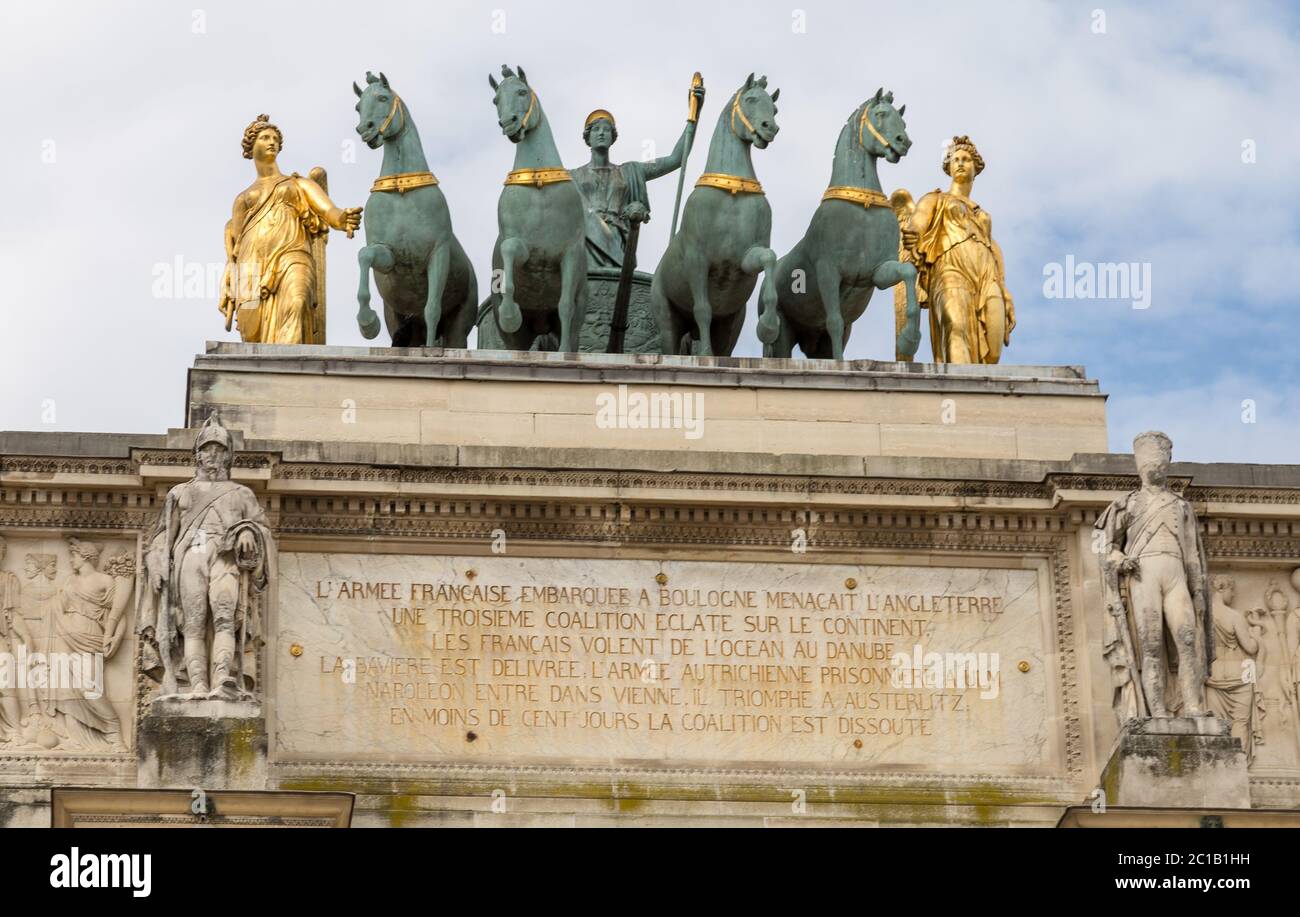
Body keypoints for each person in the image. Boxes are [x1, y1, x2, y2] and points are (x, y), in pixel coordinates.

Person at [141, 414, 273, 699]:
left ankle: (223, 679)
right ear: (197, 455)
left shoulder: (242, 494)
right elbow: (163, 534)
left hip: (226, 557)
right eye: (207, 449)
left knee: (226, 617)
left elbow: (262, 528)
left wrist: (249, 532)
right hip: (191, 555)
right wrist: (155, 561)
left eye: (220, 450)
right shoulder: (180, 493)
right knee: (194, 623)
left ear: (228, 456)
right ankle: (197, 684)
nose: (213, 455)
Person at [1096, 431, 1214, 721]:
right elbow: (1102, 545)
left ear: (1167, 463)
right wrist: (1121, 560)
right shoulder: (1126, 505)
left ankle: (1194, 707)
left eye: (1160, 461)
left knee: (1187, 638)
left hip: (1176, 575)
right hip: (1143, 575)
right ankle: (1157, 713)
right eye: (1150, 461)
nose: (1155, 467)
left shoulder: (1181, 506)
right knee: (1150, 645)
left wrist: (1199, 590)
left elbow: (1192, 555)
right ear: (1140, 465)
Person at [218, 114, 362, 343]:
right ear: (250, 147)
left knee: (297, 301)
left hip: (292, 254)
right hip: (251, 264)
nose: (271, 142)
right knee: (250, 329)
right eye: (265, 137)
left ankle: (287, 371)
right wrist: (228, 278)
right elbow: (235, 245)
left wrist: (343, 219)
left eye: (275, 138)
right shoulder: (242, 199)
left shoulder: (299, 184)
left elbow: (328, 212)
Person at [900, 136, 1015, 363]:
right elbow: (918, 221)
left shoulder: (982, 213)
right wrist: (913, 232)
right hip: (950, 269)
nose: (961, 163)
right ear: (949, 166)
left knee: (993, 348)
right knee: (956, 326)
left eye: (966, 159)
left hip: (986, 274)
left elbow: (993, 249)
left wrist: (1005, 292)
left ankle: (981, 392)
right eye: (956, 159)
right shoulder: (935, 198)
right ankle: (960, 392)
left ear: (976, 167)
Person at [570, 85, 704, 269]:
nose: (601, 133)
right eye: (595, 129)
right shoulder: (572, 176)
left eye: (606, 129)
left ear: (613, 136)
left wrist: (693, 116)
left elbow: (676, 158)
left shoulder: (631, 171)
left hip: (618, 244)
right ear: (587, 137)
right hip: (586, 242)